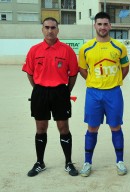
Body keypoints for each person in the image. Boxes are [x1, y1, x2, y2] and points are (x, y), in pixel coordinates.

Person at [22, 17, 79, 177]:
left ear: (57, 30)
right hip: (40, 92)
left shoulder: (67, 50)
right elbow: (29, 72)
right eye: (46, 27)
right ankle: (40, 162)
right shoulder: (34, 50)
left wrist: (66, 91)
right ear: (42, 29)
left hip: (60, 92)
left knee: (63, 127)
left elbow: (73, 74)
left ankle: (68, 162)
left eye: (53, 27)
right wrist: (38, 89)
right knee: (41, 128)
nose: (50, 30)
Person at [78, 12, 129, 177]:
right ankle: (87, 162)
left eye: (105, 24)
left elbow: (125, 68)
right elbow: (82, 69)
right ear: (95, 26)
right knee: (92, 127)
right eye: (99, 24)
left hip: (114, 93)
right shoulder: (86, 48)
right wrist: (94, 81)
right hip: (93, 93)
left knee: (116, 126)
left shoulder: (119, 47)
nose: (102, 27)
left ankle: (120, 161)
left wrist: (113, 81)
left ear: (110, 26)